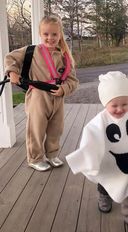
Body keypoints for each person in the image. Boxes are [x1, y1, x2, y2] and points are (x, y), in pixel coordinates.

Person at [66, 71, 128, 230]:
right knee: (106, 181)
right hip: (109, 163)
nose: (120, 109)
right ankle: (104, 198)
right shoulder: (100, 121)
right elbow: (90, 137)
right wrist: (84, 156)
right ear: (105, 103)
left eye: (125, 104)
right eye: (114, 105)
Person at [4, 15, 78, 171]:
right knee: (36, 128)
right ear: (40, 33)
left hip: (57, 98)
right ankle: (35, 158)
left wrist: (64, 89)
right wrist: (12, 72)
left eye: (54, 34)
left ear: (60, 35)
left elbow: (73, 81)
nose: (50, 38)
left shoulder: (65, 56)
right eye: (46, 34)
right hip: (38, 96)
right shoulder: (32, 51)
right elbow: (10, 57)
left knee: (56, 128)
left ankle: (52, 155)